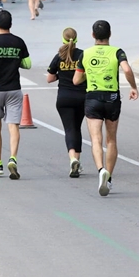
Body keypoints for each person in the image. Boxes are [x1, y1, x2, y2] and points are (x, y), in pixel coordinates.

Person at [73, 20, 138, 196]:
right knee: (111, 140)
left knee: (96, 140)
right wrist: (133, 87)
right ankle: (108, 179)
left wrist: (91, 72)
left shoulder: (85, 54)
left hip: (93, 97)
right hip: (112, 98)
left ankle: (100, 169)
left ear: (93, 35)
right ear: (110, 35)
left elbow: (76, 80)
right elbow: (127, 70)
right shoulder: (118, 52)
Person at [0, 10, 31, 179]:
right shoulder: (19, 42)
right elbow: (28, 64)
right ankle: (13, 158)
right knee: (14, 126)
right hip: (14, 89)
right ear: (11, 24)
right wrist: (15, 60)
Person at [47, 27, 86, 177]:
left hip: (64, 98)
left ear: (63, 39)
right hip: (81, 98)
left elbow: (49, 78)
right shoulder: (83, 55)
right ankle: (77, 160)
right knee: (77, 128)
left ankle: (72, 160)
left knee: (69, 129)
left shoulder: (59, 56)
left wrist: (61, 75)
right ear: (76, 40)